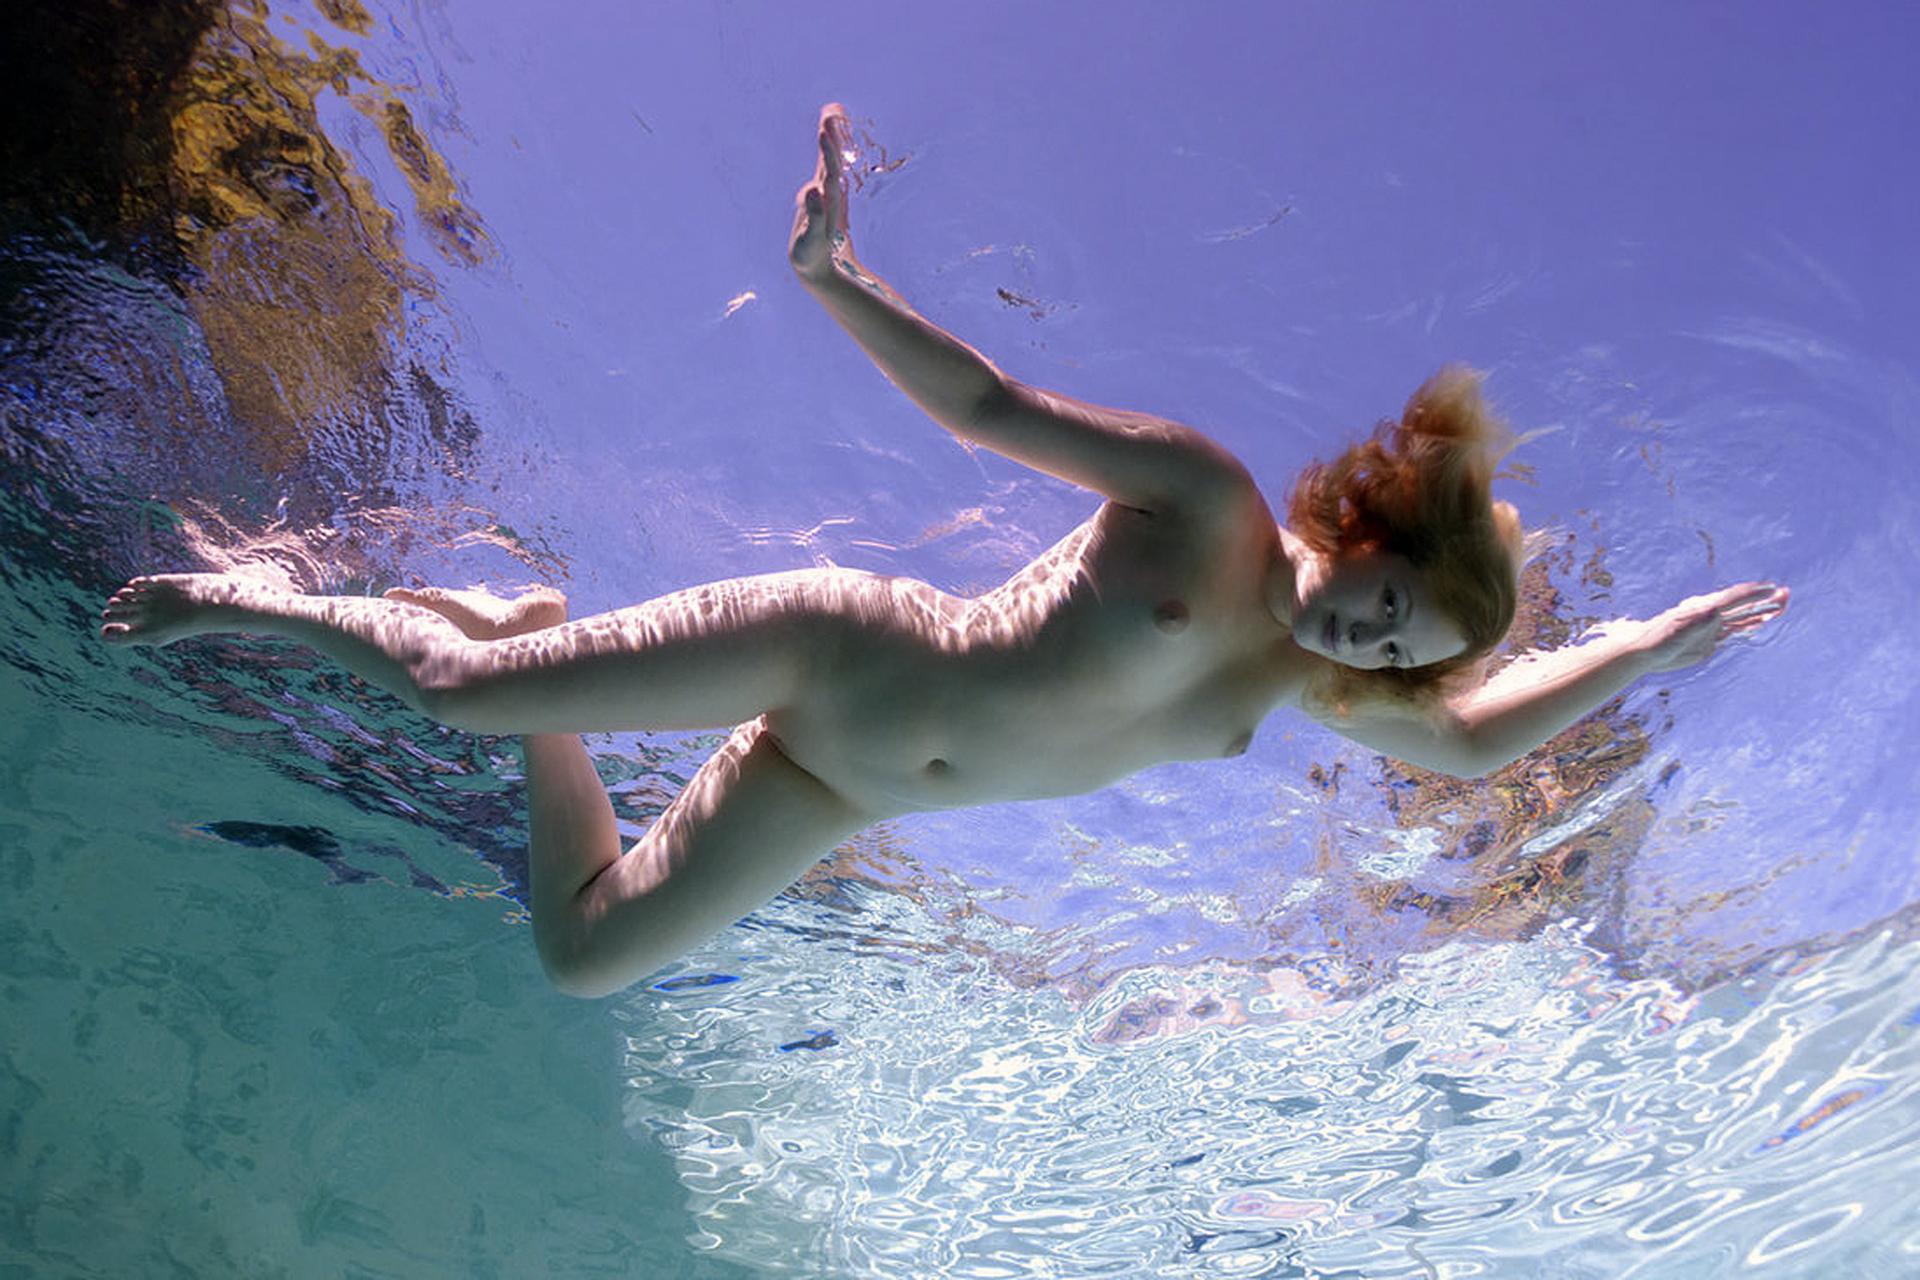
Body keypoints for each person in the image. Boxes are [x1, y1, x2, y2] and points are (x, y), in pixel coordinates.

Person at [99, 104, 1789, 998]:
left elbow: (1479, 741)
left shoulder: (1301, 688)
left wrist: (1648, 644)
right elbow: (988, 407)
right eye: (1389, 604)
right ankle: (260, 599)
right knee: (454, 693)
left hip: (842, 790)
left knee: (584, 956)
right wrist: (839, 279)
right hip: (836, 648)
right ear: (1363, 526)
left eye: (1403, 652)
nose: (1373, 646)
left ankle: (521, 624)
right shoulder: (1203, 501)